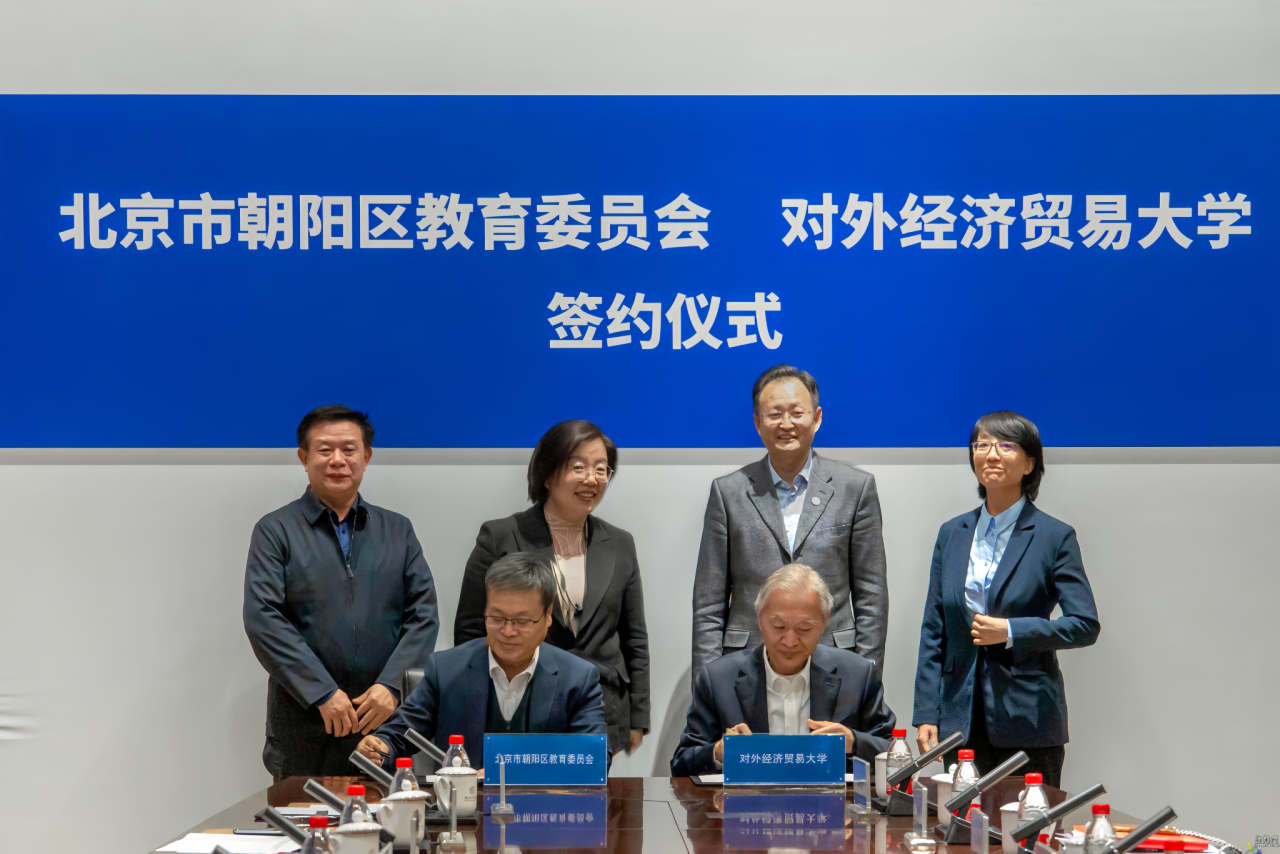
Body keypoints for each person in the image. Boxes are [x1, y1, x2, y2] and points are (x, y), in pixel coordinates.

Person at [243, 405, 439, 779]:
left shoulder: (398, 530)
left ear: (366, 457)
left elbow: (424, 616)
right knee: (301, 814)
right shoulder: (275, 530)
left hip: (382, 719)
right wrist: (322, 693)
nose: (337, 460)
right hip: (304, 719)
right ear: (304, 458)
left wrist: (391, 687)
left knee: (389, 813)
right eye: (324, 449)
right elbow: (263, 618)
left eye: (349, 449)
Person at [912, 411, 1100, 788]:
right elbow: (935, 627)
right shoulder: (952, 533)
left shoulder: (1054, 536)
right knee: (961, 822)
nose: (991, 454)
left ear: (1030, 463)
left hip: (1028, 719)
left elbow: (1084, 625)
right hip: (960, 721)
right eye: (982, 445)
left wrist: (1012, 631)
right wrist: (927, 712)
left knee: (1028, 821)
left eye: (1006, 445)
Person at [453, 421, 649, 757]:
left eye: (601, 469)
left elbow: (635, 637)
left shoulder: (620, 543)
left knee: (588, 792)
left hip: (599, 710)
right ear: (546, 474)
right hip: (518, 706)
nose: (591, 479)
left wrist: (637, 717)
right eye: (578, 467)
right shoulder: (501, 537)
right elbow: (471, 631)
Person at [691, 365, 889, 676]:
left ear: (817, 418)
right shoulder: (727, 492)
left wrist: (866, 680)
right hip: (747, 665)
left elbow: (871, 598)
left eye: (797, 413)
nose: (786, 424)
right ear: (757, 422)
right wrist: (708, 689)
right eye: (774, 414)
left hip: (834, 664)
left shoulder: (856, 488)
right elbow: (708, 606)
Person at [359, 552, 607, 770]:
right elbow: (399, 735)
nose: (507, 631)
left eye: (522, 621)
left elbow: (594, 757)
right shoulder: (446, 670)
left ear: (548, 616)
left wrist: (511, 774)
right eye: (496, 618)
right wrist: (380, 747)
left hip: (543, 806)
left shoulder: (578, 678)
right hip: (462, 806)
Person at [671, 564, 896, 777]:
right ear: (759, 619)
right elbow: (681, 763)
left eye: (804, 628)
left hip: (831, 804)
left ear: (824, 622)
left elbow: (894, 754)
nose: (790, 641)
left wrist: (853, 741)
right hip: (747, 803)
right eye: (778, 626)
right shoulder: (718, 679)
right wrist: (718, 752)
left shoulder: (858, 675)